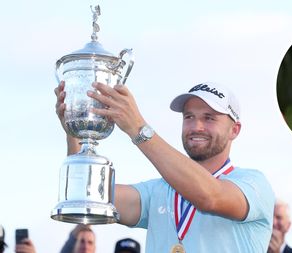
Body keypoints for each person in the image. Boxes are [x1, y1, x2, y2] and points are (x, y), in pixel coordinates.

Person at [54, 81, 275, 252]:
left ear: (234, 130)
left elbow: (210, 196)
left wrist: (138, 129)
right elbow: (87, 192)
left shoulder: (253, 184)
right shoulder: (158, 191)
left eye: (209, 118)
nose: (197, 126)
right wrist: (76, 132)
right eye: (189, 116)